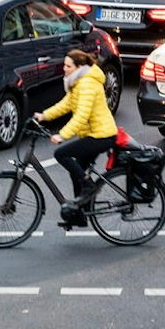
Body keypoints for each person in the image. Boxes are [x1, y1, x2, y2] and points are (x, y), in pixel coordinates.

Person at [34, 48, 116, 225]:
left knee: (61, 154)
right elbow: (67, 104)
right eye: (64, 65)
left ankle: (89, 187)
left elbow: (82, 115)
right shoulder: (78, 81)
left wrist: (62, 135)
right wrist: (44, 116)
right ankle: (80, 214)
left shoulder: (87, 84)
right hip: (92, 134)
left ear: (79, 67)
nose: (64, 69)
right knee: (76, 171)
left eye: (68, 66)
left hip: (101, 135)